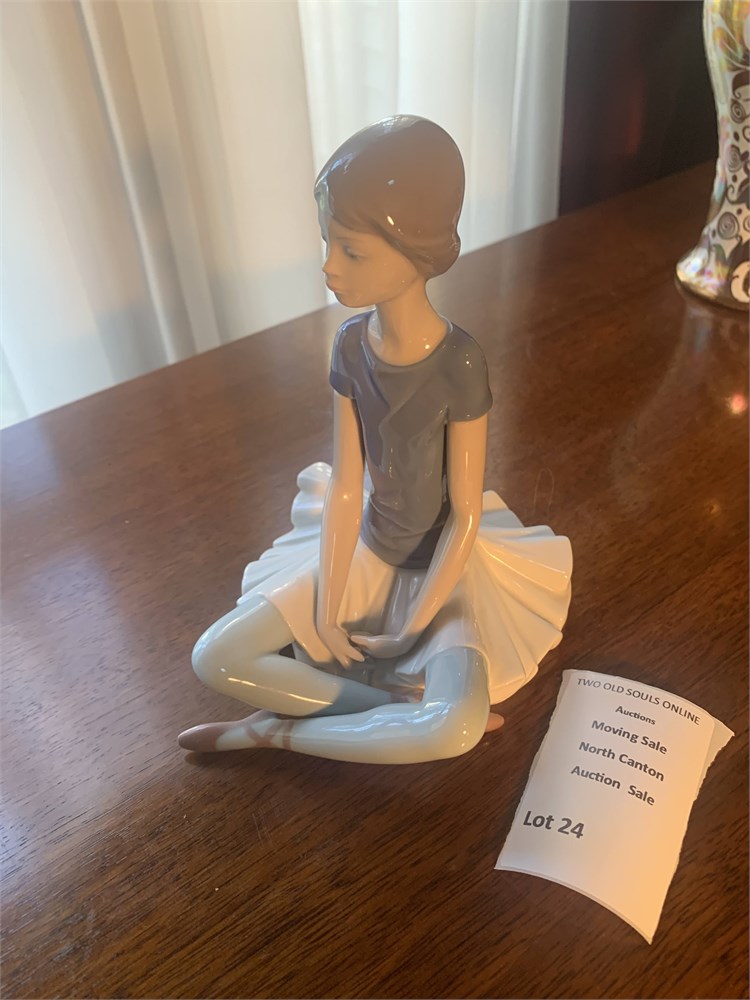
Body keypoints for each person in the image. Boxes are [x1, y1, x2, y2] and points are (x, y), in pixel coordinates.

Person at [178, 116, 572, 763]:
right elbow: (347, 483)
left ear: (418, 250)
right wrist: (327, 604)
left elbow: (465, 512)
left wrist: (418, 618)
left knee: (455, 731)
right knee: (215, 657)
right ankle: (393, 712)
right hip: (364, 545)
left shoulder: (459, 361)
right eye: (327, 244)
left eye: (352, 252)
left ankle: (269, 733)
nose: (329, 268)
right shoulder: (350, 346)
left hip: (445, 570)